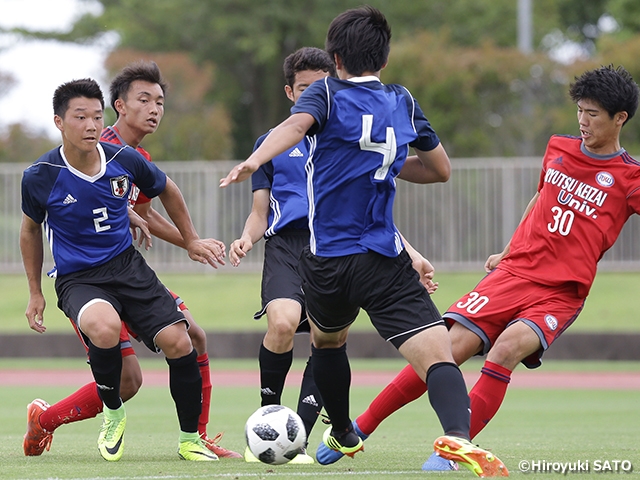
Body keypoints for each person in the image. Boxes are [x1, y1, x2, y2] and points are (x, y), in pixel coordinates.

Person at [221, 6, 508, 477]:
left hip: (327, 260)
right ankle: (457, 437)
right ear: (385, 59)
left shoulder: (326, 94)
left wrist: (254, 161)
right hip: (383, 256)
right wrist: (392, 166)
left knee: (328, 342)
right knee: (437, 354)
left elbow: (294, 128)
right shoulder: (402, 99)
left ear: (335, 58)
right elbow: (440, 170)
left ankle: (342, 430)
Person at [318, 63, 640, 470]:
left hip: (561, 291)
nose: (582, 120)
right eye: (580, 110)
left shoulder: (630, 178)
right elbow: (541, 199)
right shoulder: (558, 147)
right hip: (514, 273)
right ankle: (359, 429)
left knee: (505, 349)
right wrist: (508, 249)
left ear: (620, 118)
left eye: (593, 114)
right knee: (447, 349)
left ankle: (451, 450)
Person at [22, 62, 241, 460]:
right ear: (121, 106)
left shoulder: (131, 156)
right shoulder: (85, 149)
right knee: (126, 377)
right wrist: (35, 291)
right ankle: (53, 419)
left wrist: (186, 240)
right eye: (145, 99)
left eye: (160, 101)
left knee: (187, 337)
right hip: (83, 278)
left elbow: (147, 208)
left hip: (126, 269)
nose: (154, 108)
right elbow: (50, 220)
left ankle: (195, 436)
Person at [229, 47, 336, 464]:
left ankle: (301, 438)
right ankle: (266, 417)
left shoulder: (345, 139)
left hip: (335, 248)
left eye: (322, 88)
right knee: (283, 323)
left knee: (328, 341)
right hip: (288, 248)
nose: (314, 95)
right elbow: (260, 212)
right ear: (291, 92)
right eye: (306, 88)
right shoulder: (270, 143)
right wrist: (245, 239)